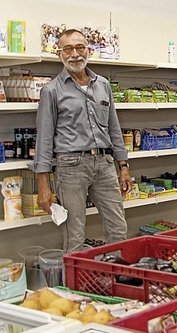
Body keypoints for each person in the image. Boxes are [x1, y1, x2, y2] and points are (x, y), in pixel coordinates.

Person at [33, 29, 132, 253]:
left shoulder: (103, 85)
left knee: (118, 228)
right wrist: (43, 185)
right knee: (74, 234)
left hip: (105, 164)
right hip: (71, 167)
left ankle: (117, 281)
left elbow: (114, 127)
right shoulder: (51, 91)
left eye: (80, 48)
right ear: (60, 54)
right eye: (68, 49)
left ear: (89, 51)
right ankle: (75, 286)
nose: (75, 54)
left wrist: (123, 166)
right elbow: (45, 139)